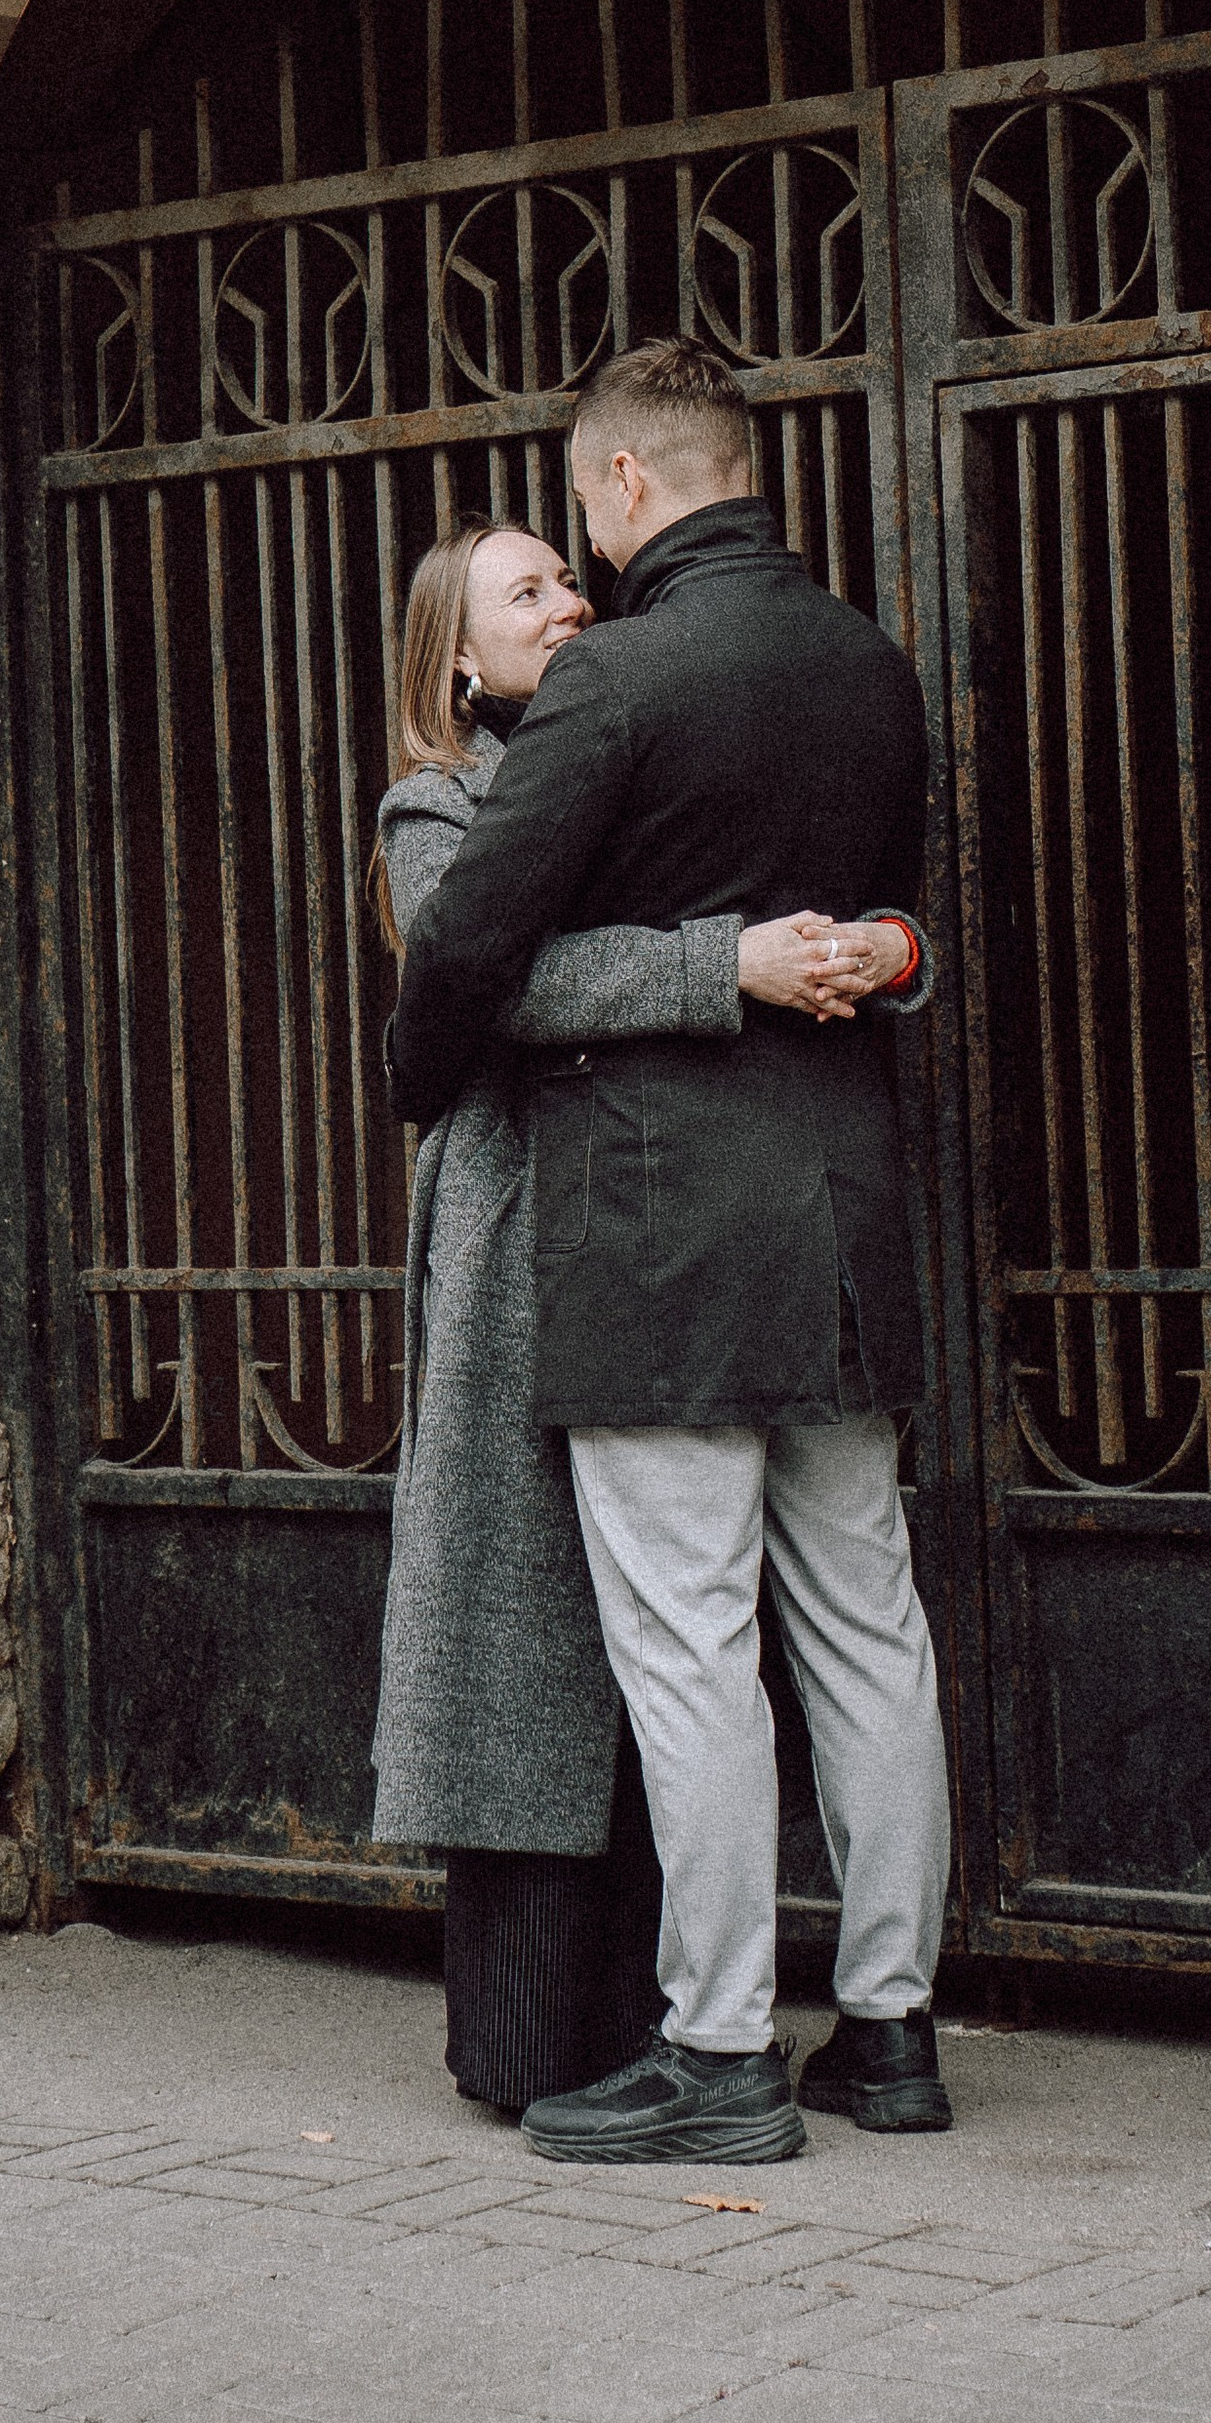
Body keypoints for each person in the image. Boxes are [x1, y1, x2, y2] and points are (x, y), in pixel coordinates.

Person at [388, 340, 955, 2165]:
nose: (577, 558)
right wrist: (874, 956)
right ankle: (890, 2036)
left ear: (626, 486)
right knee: (869, 1625)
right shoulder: (870, 662)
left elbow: (465, 948)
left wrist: (421, 1075)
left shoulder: (616, 682)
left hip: (656, 1234)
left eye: (576, 520)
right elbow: (893, 907)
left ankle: (720, 2057)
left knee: (694, 1642)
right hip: (848, 1212)